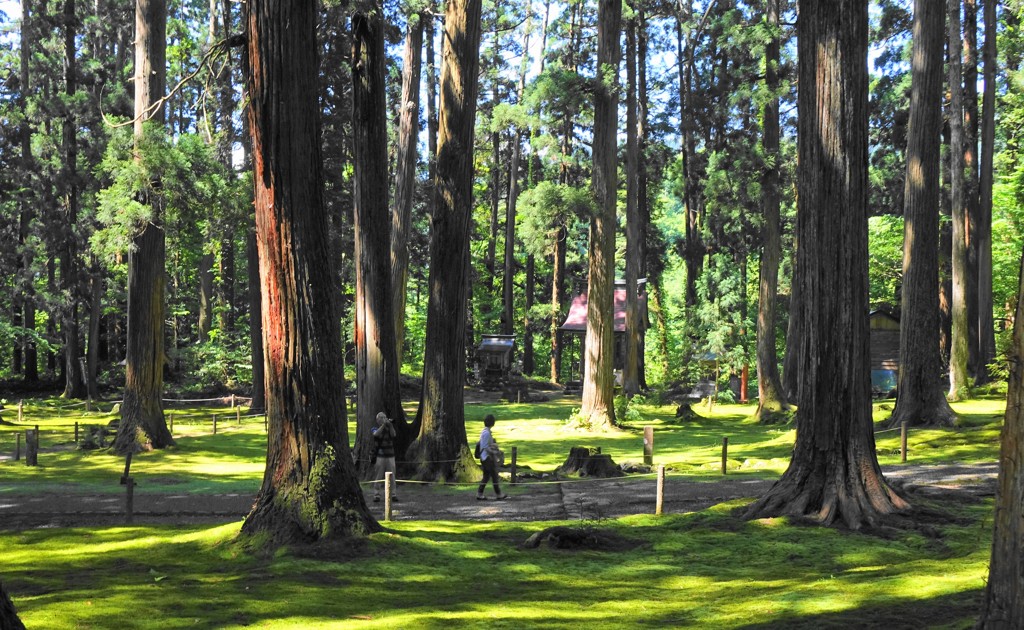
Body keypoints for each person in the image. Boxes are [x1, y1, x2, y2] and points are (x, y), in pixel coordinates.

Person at [476, 414, 508, 500]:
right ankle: (498, 494)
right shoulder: (486, 433)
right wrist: (495, 452)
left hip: (485, 457)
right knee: (494, 475)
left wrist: (494, 446)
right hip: (486, 457)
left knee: (486, 476)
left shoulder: (485, 432)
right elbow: (485, 447)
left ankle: (480, 493)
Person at [371, 411, 398, 503]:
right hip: (380, 456)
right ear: (377, 420)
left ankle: (393, 494)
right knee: (378, 475)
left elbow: (393, 434)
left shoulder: (388, 427)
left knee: (392, 476)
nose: (383, 419)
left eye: (384, 417)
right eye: (382, 418)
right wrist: (383, 425)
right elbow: (376, 434)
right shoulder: (374, 428)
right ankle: (376, 494)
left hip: (390, 456)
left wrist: (390, 425)